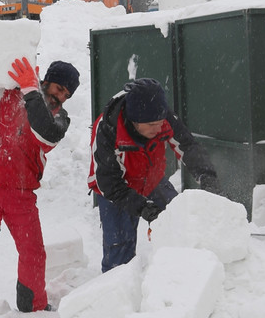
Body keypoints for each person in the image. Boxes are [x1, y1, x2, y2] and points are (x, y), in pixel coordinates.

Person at [0, 34, 80, 317]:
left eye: (66, 94)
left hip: (21, 194)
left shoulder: (59, 120)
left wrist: (31, 89)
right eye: (58, 88)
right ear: (46, 80)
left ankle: (33, 308)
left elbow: (44, 130)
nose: (60, 96)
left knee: (33, 253)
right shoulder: (5, 91)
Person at [87, 78, 222, 273]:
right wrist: (143, 207)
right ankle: (118, 296)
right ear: (134, 120)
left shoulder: (160, 115)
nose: (158, 128)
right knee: (119, 253)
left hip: (152, 181)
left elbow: (188, 146)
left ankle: (183, 277)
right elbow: (108, 181)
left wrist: (207, 176)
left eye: (160, 123)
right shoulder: (108, 129)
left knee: (181, 222)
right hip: (115, 191)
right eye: (151, 125)